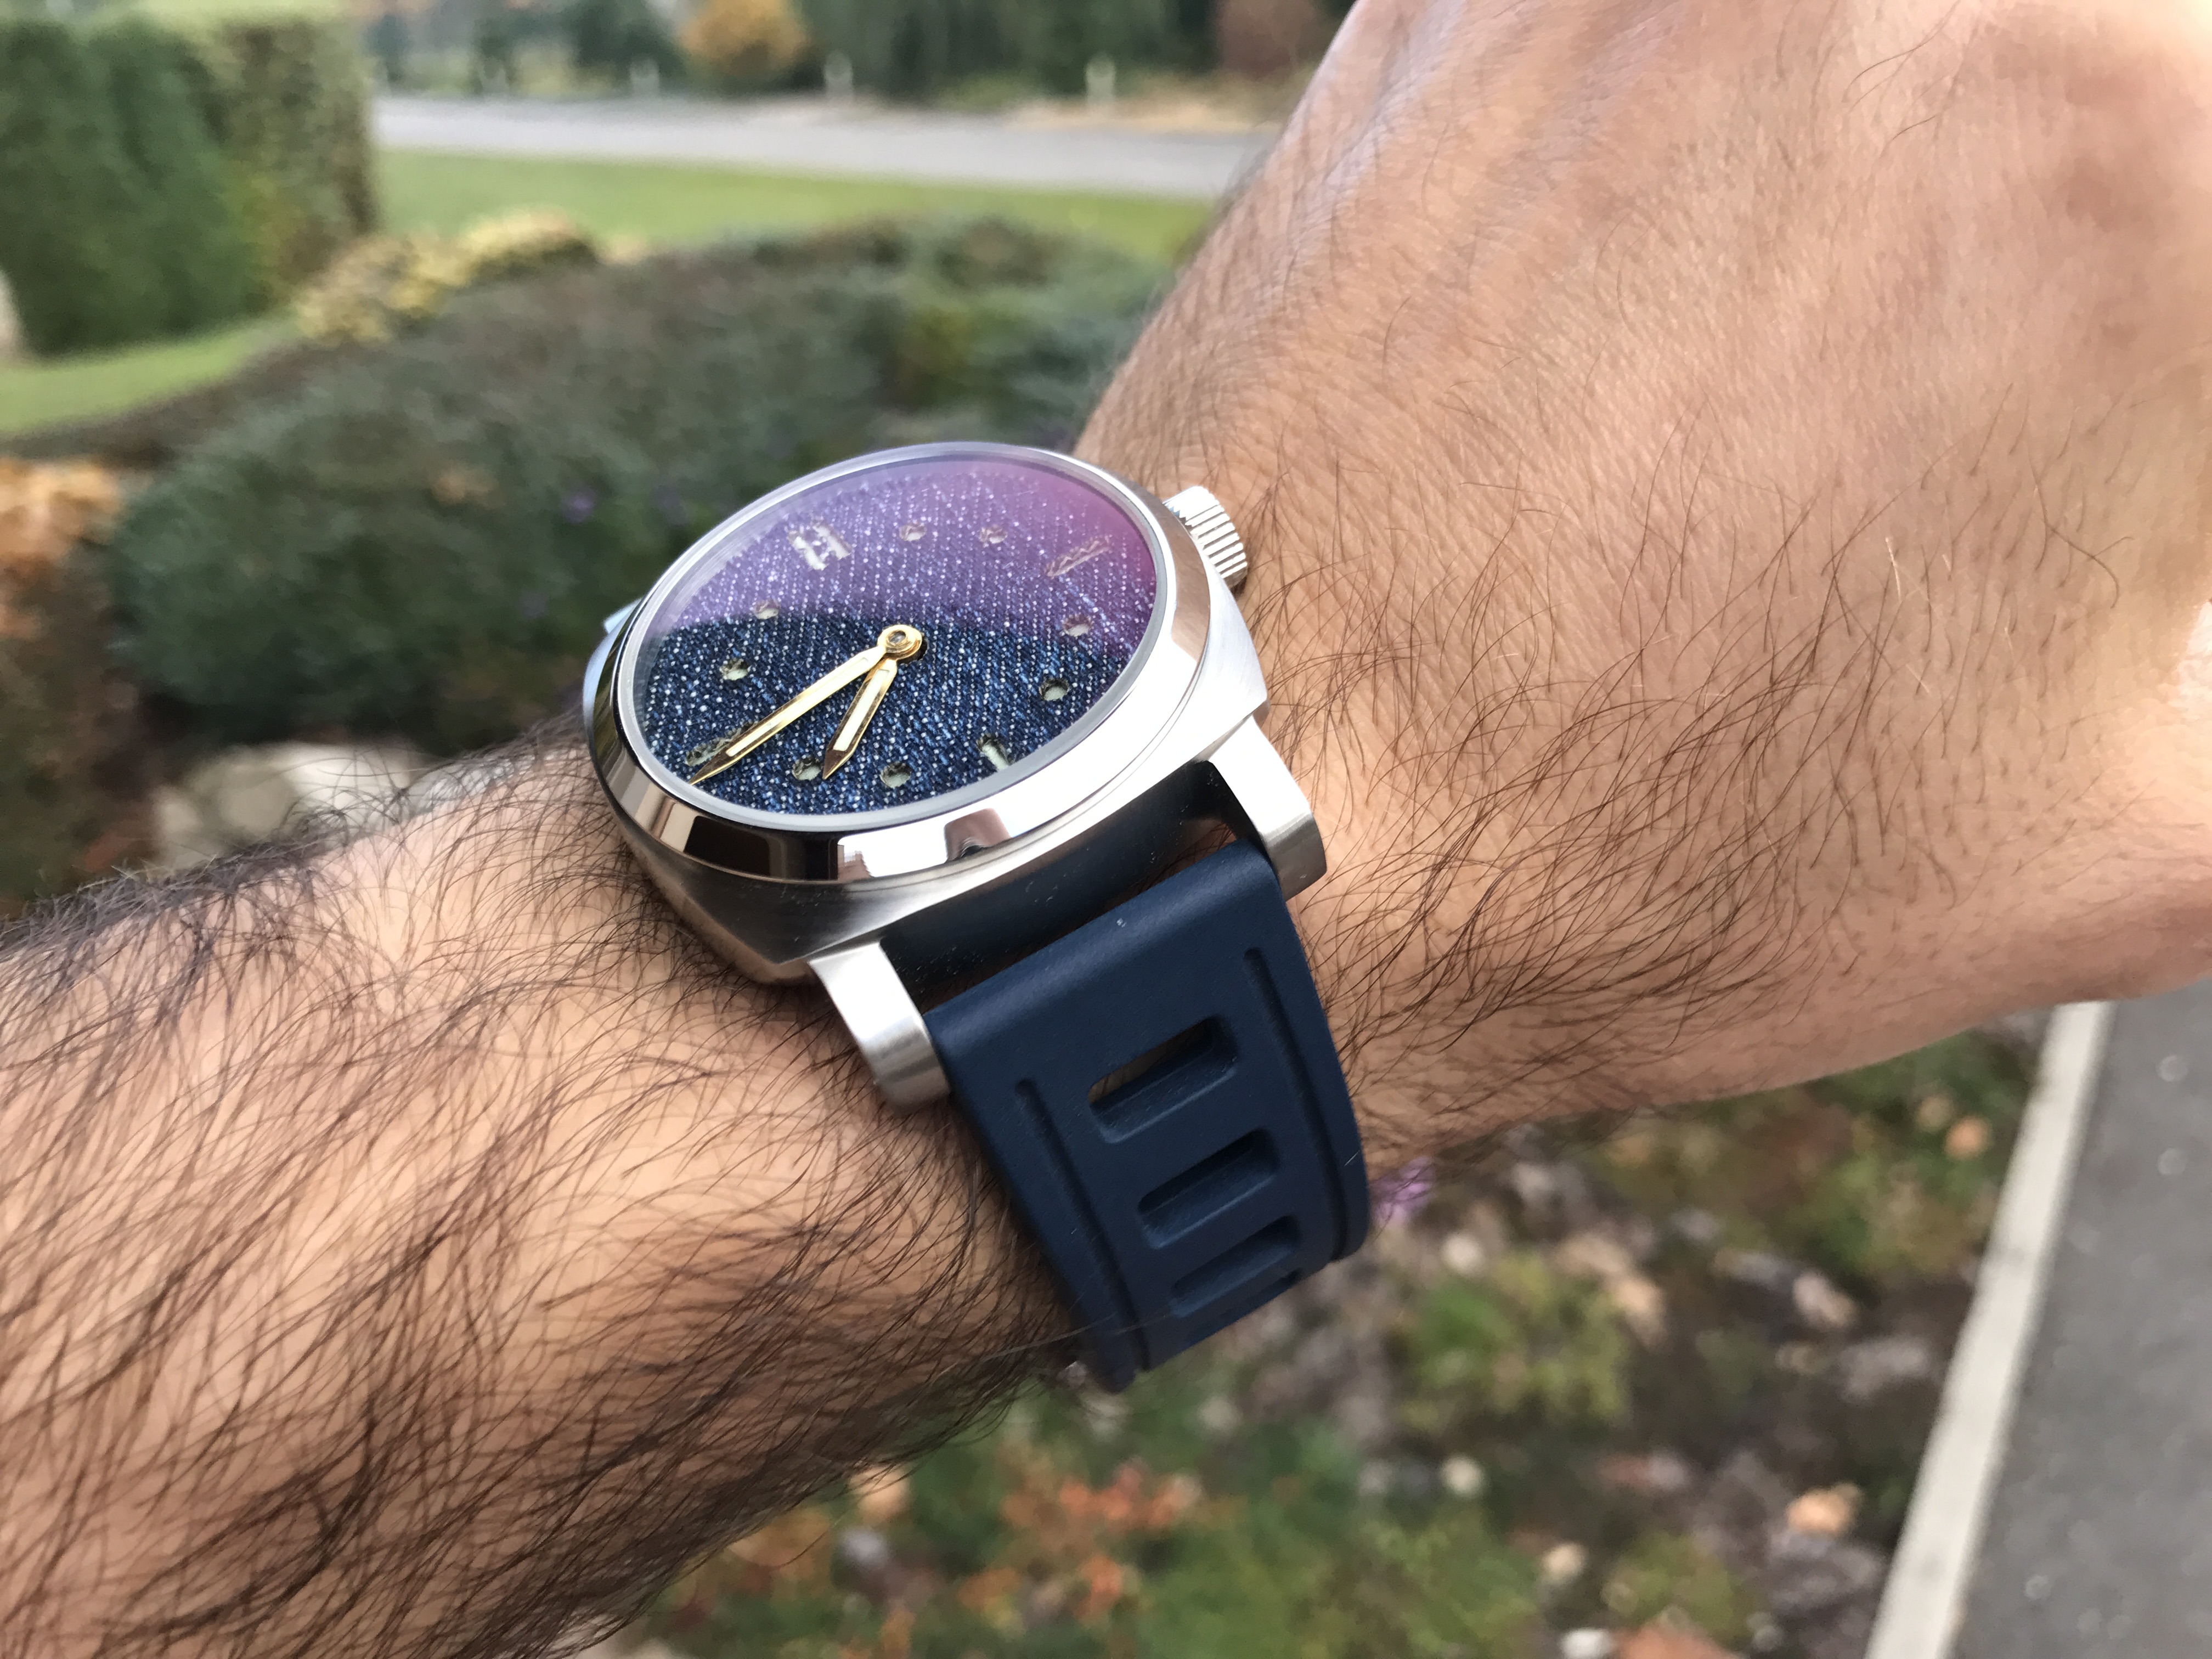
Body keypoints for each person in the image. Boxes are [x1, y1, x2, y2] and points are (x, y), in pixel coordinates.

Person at [5, 0, 2209, 1654]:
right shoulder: (812, 868)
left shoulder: (1166, 657)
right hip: (889, 896)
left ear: (1200, 570)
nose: (891, 643)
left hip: (1094, 777)